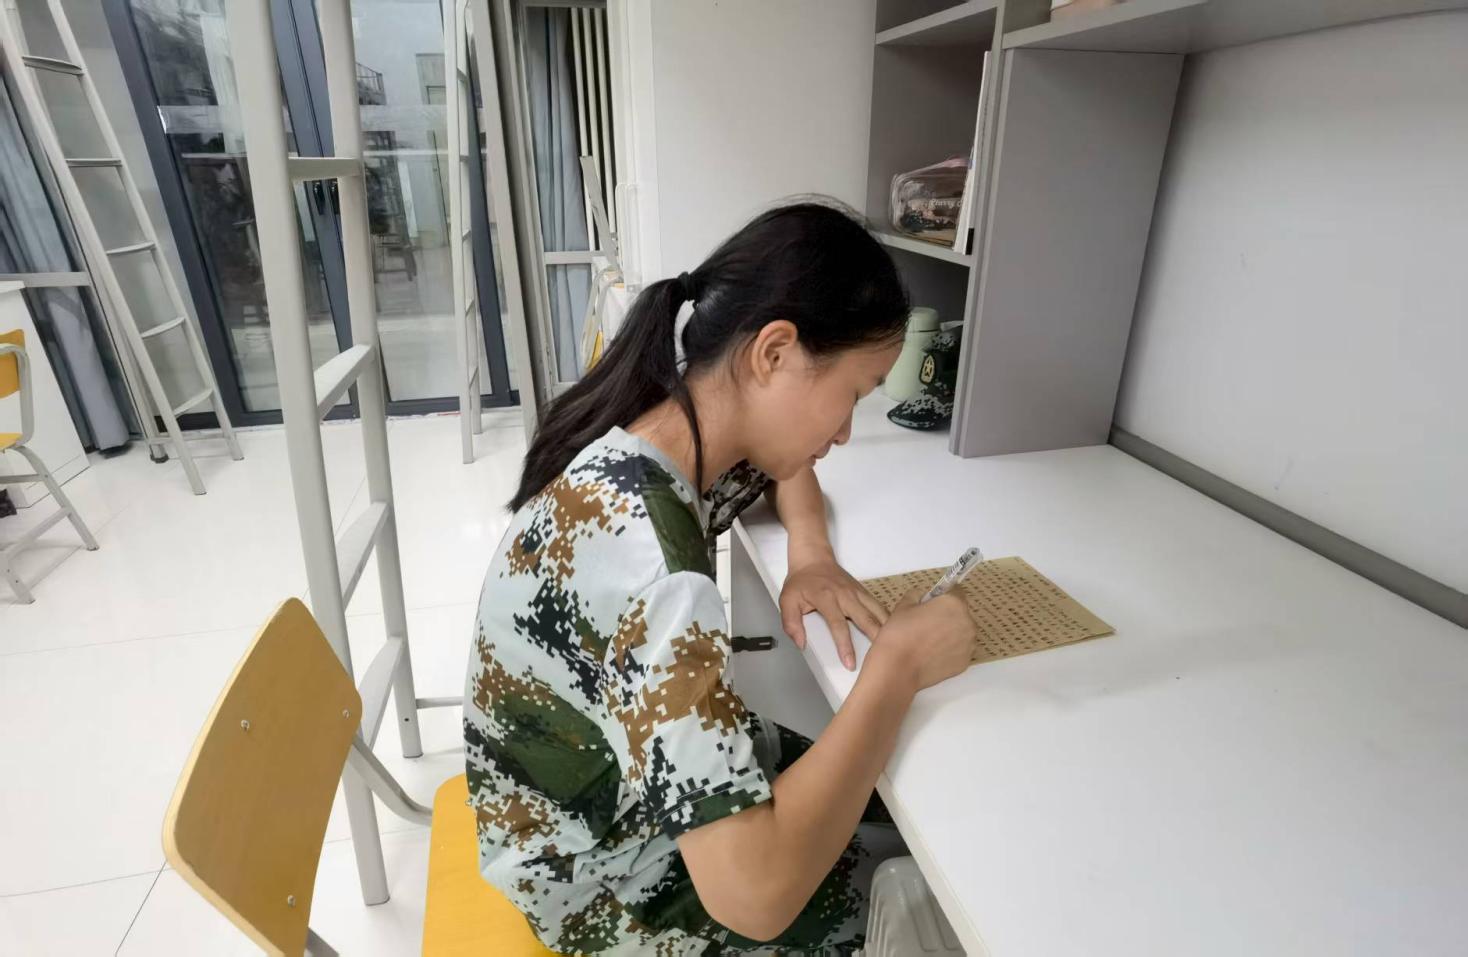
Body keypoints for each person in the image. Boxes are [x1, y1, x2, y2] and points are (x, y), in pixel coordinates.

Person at [463, 200, 977, 955]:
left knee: (892, 807)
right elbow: (754, 897)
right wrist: (896, 666)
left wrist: (811, 551)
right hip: (599, 886)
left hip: (575, 809)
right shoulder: (661, 578)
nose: (843, 432)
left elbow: (787, 469)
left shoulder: (660, 427)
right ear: (774, 352)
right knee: (927, 895)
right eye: (854, 395)